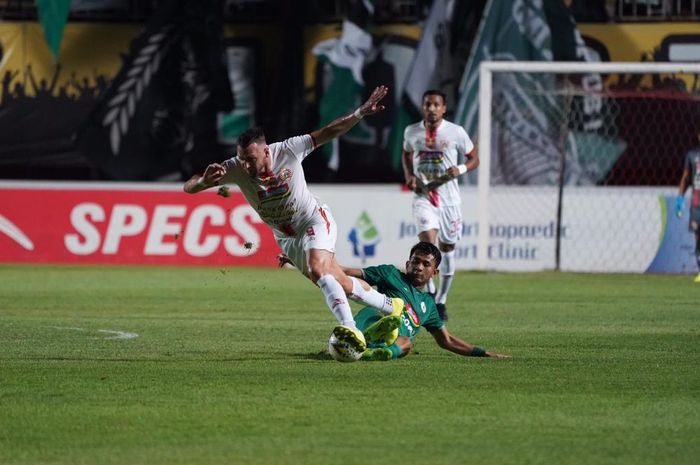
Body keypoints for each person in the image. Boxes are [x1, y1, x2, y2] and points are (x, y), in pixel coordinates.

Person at [184, 85, 403, 352]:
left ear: (266, 152)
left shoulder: (288, 150)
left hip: (313, 220)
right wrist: (204, 181)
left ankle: (352, 331)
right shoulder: (235, 168)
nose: (246, 166)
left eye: (251, 159)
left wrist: (359, 113)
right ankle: (392, 306)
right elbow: (190, 186)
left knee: (319, 269)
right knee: (337, 283)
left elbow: (329, 132)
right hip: (287, 238)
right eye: (242, 159)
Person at [338, 241, 510, 361]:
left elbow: (446, 341)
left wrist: (484, 353)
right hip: (370, 319)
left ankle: (377, 352)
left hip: (390, 342)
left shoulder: (428, 305)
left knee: (406, 343)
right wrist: (322, 264)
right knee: (379, 310)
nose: (419, 267)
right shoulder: (390, 273)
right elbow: (348, 273)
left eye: (426, 264)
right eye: (415, 262)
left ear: (434, 272)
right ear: (408, 264)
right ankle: (369, 334)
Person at [401, 89, 479, 321]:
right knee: (427, 243)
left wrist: (461, 169)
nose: (432, 108)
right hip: (424, 196)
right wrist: (409, 176)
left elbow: (475, 158)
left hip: (449, 201)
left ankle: (442, 299)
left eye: (436, 104)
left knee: (447, 250)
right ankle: (431, 292)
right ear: (423, 107)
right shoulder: (412, 131)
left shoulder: (456, 132)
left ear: (444, 108)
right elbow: (406, 154)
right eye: (428, 104)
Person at [676, 128, 700, 283]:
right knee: (698, 237)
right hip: (697, 203)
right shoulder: (692, 155)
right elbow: (685, 178)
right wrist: (680, 198)